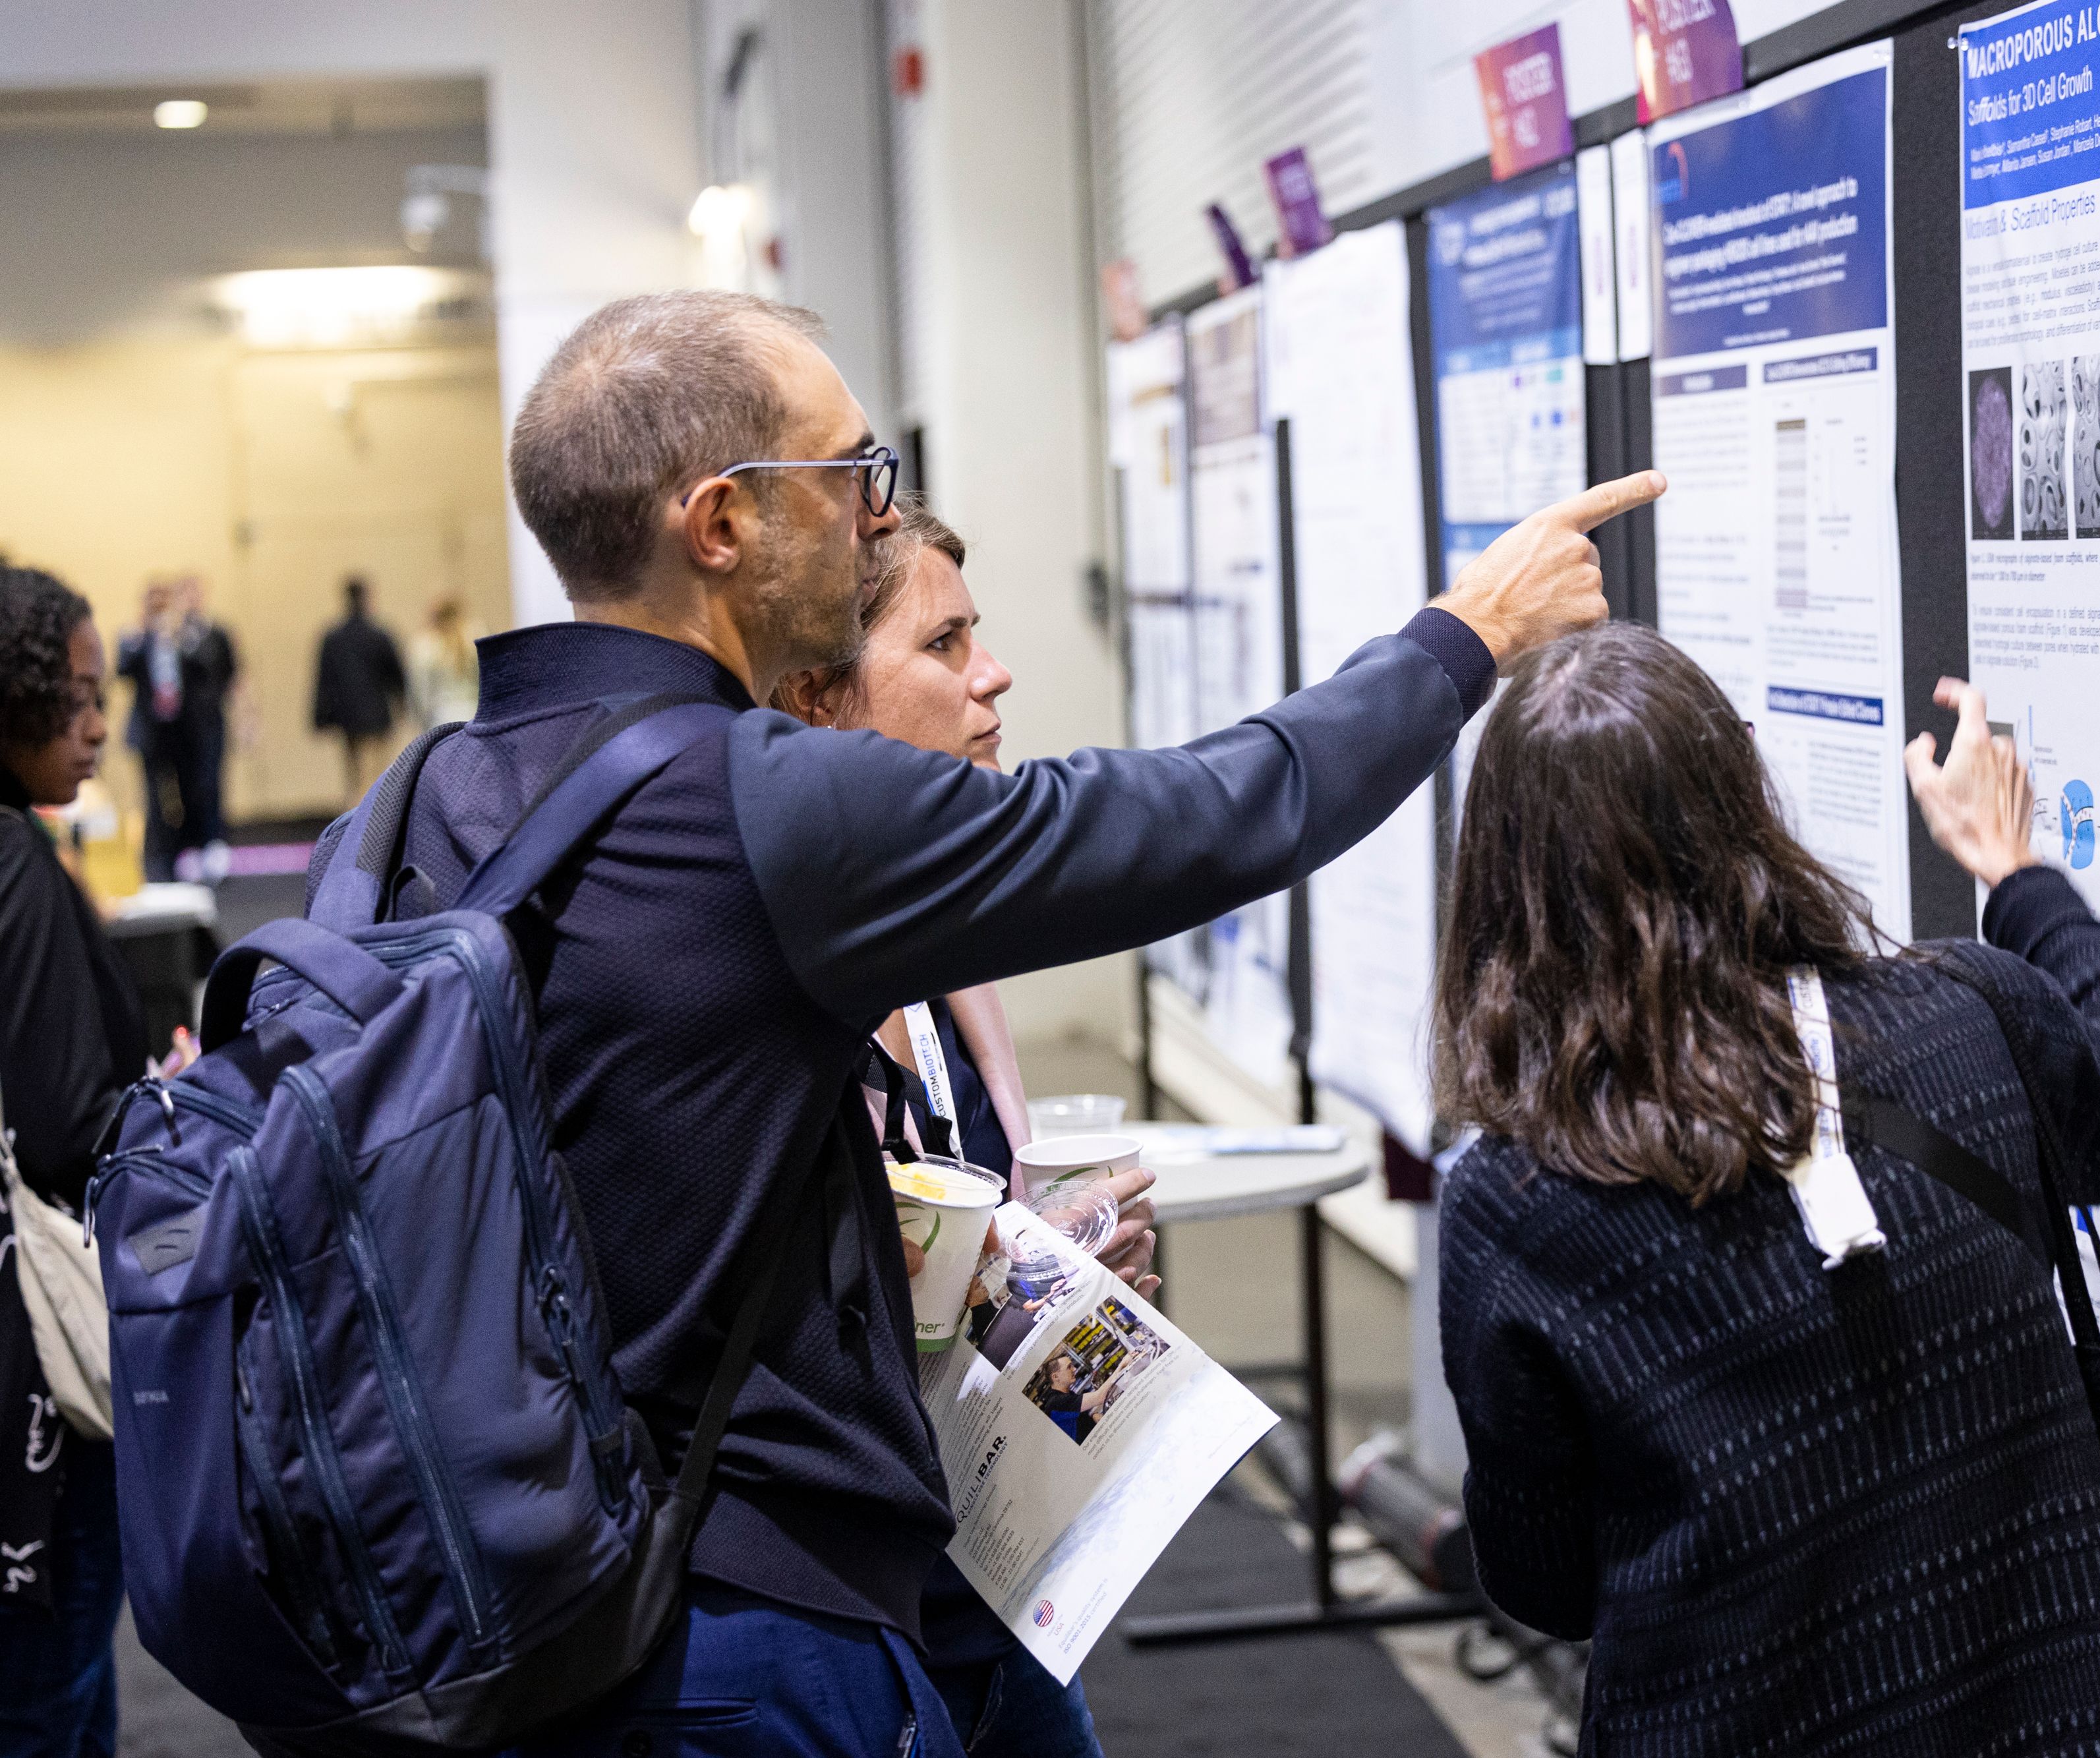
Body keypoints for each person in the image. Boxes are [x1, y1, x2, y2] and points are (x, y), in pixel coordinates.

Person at [301, 287, 1656, 1755]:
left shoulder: (408, 807)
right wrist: (1465, 637)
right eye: (848, 477)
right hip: (746, 1626)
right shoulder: (742, 800)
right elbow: (1205, 817)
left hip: (508, 1588)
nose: (872, 518)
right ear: (720, 524)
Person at [1433, 625, 2100, 1756]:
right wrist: (2018, 876)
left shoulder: (1513, 1203)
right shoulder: (1974, 1018)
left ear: (1503, 882)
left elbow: (1547, 1582)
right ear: (1743, 803)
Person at [770, 498, 1144, 1756]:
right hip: (864, 1636)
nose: (993, 674)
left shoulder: (927, 976)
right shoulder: (770, 1019)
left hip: (996, 1602)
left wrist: (1056, 1271)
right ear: (822, 699)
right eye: (943, 645)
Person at [0, 566, 146, 1758]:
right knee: (53, 1701)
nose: (101, 725)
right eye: (82, 695)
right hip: (35, 1394)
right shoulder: (17, 869)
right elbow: (65, 1127)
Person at [116, 576, 235, 881]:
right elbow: (123, 669)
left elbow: (207, 671)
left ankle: (194, 851)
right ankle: (160, 861)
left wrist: (180, 635)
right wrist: (143, 631)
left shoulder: (185, 636)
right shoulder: (137, 638)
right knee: (154, 799)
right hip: (151, 732)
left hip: (183, 732)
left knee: (193, 791)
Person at [310, 575, 405, 806]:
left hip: (348, 719)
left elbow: (324, 681)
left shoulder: (333, 638)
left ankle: (355, 822)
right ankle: (370, 827)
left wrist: (321, 717)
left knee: (354, 777)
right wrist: (401, 708)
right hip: (376, 717)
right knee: (375, 777)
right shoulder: (379, 636)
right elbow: (397, 677)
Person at [407, 595, 483, 730]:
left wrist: (421, 720)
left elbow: (421, 690)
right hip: (475, 713)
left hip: (440, 718)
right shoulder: (476, 639)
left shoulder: (426, 646)